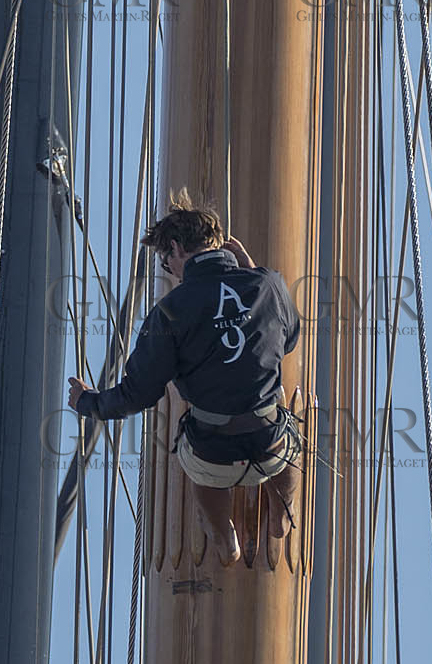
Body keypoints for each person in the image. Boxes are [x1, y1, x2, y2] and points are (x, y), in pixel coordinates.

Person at [67, 192, 302, 565]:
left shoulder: (169, 313)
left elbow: (137, 394)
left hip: (214, 448)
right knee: (288, 442)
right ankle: (282, 511)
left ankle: (226, 539)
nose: (170, 272)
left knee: (199, 470)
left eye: (166, 264)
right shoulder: (268, 284)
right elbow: (288, 339)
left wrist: (88, 402)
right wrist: (252, 271)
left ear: (176, 248)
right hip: (268, 438)